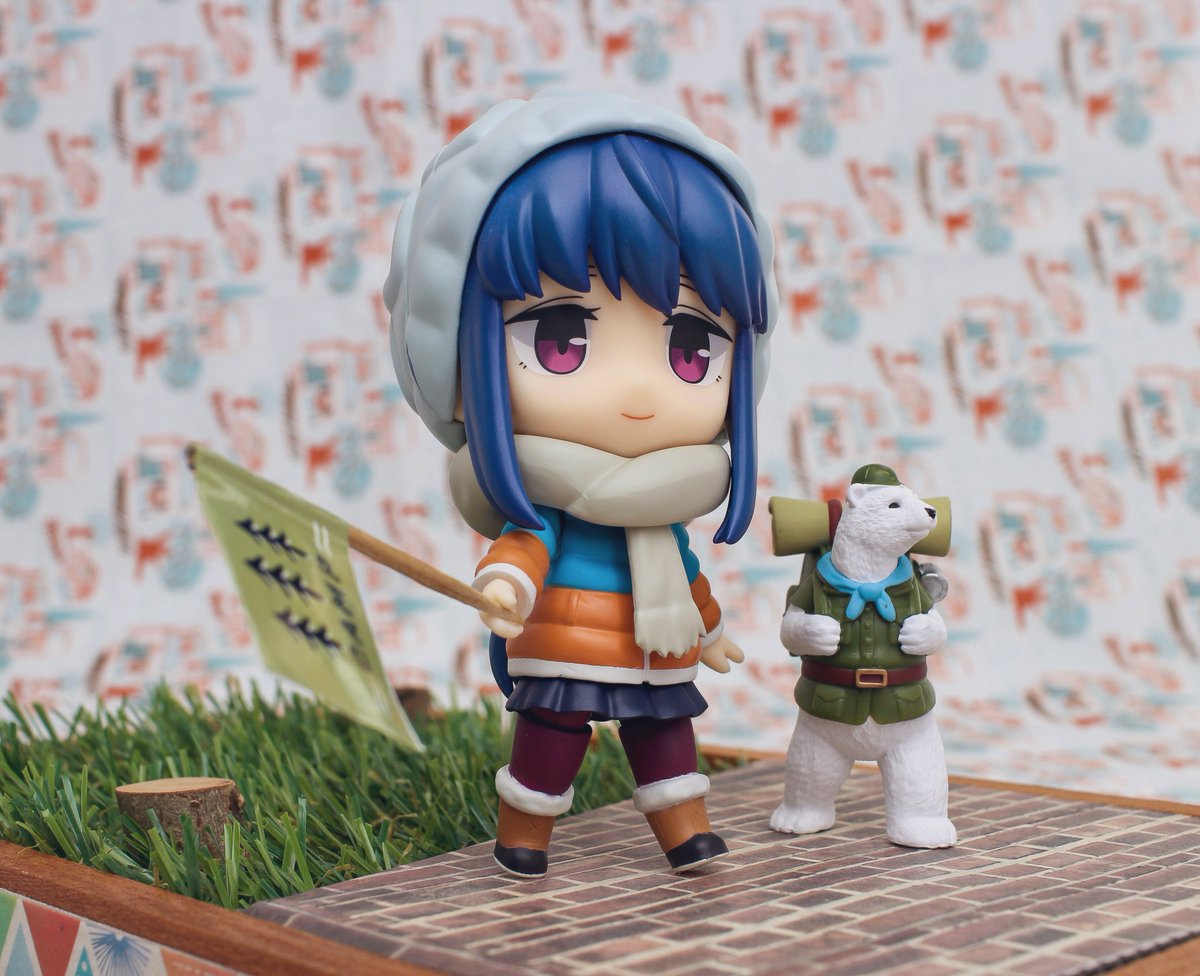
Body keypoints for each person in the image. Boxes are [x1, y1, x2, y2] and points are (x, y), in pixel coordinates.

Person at [384, 91, 777, 878]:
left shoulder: (665, 510)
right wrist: (505, 584)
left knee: (666, 737)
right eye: (561, 339)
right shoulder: (549, 501)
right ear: (460, 362)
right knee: (549, 742)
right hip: (563, 646)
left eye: (692, 347)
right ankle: (525, 835)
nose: (637, 391)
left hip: (656, 655)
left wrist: (706, 628)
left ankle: (686, 833)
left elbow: (683, 571)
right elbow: (525, 547)